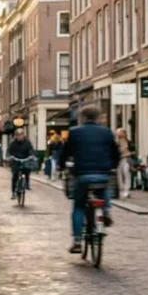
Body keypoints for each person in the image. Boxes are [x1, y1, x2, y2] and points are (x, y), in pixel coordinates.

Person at [59, 105, 119, 253]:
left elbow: (65, 153)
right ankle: (105, 211)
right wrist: (113, 166)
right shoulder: (106, 132)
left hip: (82, 175)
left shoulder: (74, 132)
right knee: (103, 187)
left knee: (78, 206)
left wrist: (61, 166)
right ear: (98, 117)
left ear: (83, 118)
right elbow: (115, 153)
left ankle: (78, 241)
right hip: (102, 173)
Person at [6, 129, 36, 200]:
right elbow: (9, 151)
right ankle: (13, 192)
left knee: (27, 170)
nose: (19, 137)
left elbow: (31, 150)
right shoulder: (13, 143)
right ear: (16, 136)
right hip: (16, 160)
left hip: (25, 159)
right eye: (18, 135)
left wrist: (31, 155)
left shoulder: (27, 142)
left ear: (23, 135)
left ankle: (27, 184)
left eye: (21, 135)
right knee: (15, 176)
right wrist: (9, 156)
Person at [115, 128, 135, 199]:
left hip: (126, 159)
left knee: (126, 173)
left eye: (122, 132)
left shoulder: (128, 141)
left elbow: (133, 150)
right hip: (119, 160)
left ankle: (126, 190)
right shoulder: (116, 143)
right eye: (119, 133)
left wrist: (130, 153)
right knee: (119, 175)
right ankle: (121, 189)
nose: (121, 134)